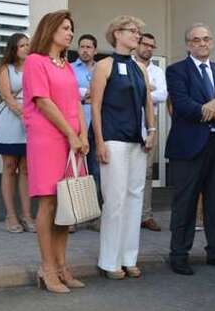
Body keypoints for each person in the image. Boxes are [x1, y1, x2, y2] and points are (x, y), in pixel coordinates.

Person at [166, 22, 215, 276]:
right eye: (196, 40)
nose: (202, 43)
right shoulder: (176, 70)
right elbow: (183, 104)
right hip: (188, 146)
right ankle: (179, 254)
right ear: (188, 44)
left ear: (212, 42)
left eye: (206, 39)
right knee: (185, 202)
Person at [23, 10, 89, 294]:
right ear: (50, 30)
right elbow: (43, 102)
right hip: (48, 138)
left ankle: (62, 267)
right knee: (49, 202)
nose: (70, 33)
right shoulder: (35, 62)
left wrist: (83, 134)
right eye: (64, 28)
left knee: (67, 204)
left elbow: (75, 103)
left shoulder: (67, 66)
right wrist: (71, 134)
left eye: (71, 28)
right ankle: (47, 268)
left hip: (71, 140)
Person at [92, 16, 156, 279]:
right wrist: (99, 142)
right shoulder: (104, 65)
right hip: (113, 139)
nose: (137, 35)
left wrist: (152, 130)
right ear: (116, 34)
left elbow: (147, 102)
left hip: (136, 140)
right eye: (132, 31)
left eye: (139, 32)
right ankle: (109, 261)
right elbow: (95, 106)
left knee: (134, 199)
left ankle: (129, 258)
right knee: (115, 201)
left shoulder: (140, 68)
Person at [0, 33, 35, 233]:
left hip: (30, 120)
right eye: (22, 45)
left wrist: (31, 117)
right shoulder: (5, 69)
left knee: (26, 168)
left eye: (28, 44)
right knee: (9, 166)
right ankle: (11, 216)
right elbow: (7, 97)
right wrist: (23, 115)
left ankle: (27, 215)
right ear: (13, 49)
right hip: (10, 120)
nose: (26, 48)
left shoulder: (34, 67)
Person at [134, 32, 168, 232]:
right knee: (127, 172)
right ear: (137, 44)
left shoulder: (157, 70)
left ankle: (145, 215)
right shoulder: (129, 65)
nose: (148, 48)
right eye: (145, 44)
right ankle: (127, 215)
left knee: (146, 172)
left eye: (151, 46)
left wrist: (141, 91)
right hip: (128, 122)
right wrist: (149, 89)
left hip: (150, 123)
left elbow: (163, 94)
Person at [71, 34, 101, 232]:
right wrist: (86, 95)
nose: (85, 50)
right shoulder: (70, 69)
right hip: (76, 125)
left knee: (97, 172)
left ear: (95, 50)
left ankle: (94, 216)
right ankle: (72, 217)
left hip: (97, 126)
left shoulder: (102, 69)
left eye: (89, 47)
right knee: (75, 171)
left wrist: (84, 94)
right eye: (82, 46)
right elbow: (68, 93)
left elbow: (105, 95)